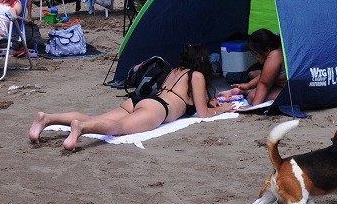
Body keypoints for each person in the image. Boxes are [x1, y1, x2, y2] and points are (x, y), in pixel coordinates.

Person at [28, 43, 233, 150]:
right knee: (119, 128)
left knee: (97, 118)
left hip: (139, 101)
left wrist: (209, 101)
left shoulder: (175, 71)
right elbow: (203, 113)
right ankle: (81, 128)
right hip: (157, 109)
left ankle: (48, 118)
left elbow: (193, 101)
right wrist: (221, 109)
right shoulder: (196, 75)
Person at [217, 29, 286, 105]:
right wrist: (249, 85)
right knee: (254, 79)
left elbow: (264, 84)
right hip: (280, 87)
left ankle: (246, 92)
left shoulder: (275, 55)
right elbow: (265, 75)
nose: (255, 58)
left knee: (252, 96)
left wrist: (254, 105)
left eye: (255, 54)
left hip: (289, 91)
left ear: (267, 49)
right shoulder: (280, 50)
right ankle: (246, 91)